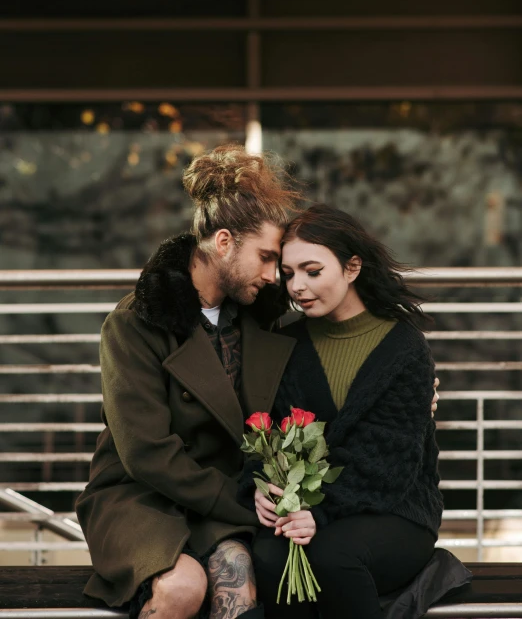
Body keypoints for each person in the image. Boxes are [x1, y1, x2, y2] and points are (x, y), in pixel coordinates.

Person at [76, 144, 302, 619]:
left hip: (217, 499)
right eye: (265, 257)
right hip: (137, 497)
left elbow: (330, 361)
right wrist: (243, 501)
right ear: (223, 242)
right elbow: (145, 453)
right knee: (183, 587)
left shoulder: (263, 323)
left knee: (238, 579)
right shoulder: (135, 323)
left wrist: (408, 387)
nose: (273, 275)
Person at [244, 203, 468, 619]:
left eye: (312, 271)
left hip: (395, 510)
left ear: (352, 268)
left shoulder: (404, 348)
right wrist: (261, 487)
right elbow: (268, 434)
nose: (297, 286)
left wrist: (319, 512)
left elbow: (390, 464)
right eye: (288, 274)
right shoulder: (285, 343)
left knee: (332, 557)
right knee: (271, 557)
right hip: (303, 511)